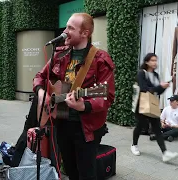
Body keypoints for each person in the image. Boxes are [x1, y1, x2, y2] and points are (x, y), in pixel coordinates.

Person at [33, 13, 115, 180]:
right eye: (66, 26)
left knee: (86, 173)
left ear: (85, 33)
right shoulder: (59, 55)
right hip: (62, 122)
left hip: (86, 128)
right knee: (70, 170)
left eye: (71, 28)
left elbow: (107, 96)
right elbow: (40, 77)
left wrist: (83, 106)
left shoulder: (100, 59)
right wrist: (42, 93)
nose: (65, 31)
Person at [131, 53, 178, 162]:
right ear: (147, 62)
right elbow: (144, 88)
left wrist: (164, 87)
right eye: (152, 60)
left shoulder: (156, 75)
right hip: (141, 104)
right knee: (140, 125)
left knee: (157, 128)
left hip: (152, 105)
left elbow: (157, 91)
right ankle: (134, 145)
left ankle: (165, 153)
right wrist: (159, 86)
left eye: (155, 60)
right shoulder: (141, 73)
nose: (154, 62)